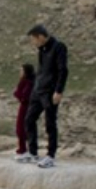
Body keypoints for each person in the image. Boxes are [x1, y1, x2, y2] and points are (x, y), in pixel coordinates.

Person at [18, 25, 69, 168]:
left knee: (50, 123)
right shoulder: (42, 50)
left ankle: (50, 156)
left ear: (40, 37)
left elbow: (63, 70)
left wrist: (59, 91)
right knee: (29, 119)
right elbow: (41, 71)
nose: (33, 42)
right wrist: (35, 86)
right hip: (38, 91)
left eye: (33, 39)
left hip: (50, 92)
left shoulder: (58, 47)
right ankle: (33, 152)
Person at [12, 63, 35, 156]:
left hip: (25, 107)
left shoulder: (27, 83)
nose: (20, 72)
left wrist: (17, 93)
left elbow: (24, 96)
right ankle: (24, 148)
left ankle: (23, 149)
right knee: (23, 128)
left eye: (21, 71)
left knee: (21, 128)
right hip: (26, 106)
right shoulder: (28, 82)